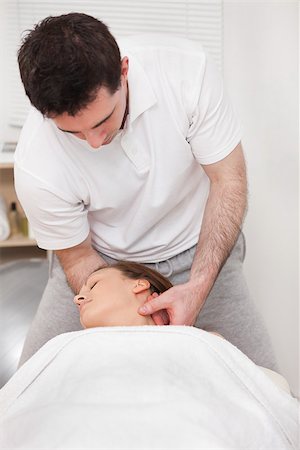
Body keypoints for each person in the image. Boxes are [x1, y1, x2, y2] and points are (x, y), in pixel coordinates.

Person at [15, 12, 277, 370]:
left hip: (197, 249)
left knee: (269, 389)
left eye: (102, 122)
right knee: (31, 388)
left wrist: (199, 288)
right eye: (72, 133)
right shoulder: (36, 163)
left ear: (123, 71)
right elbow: (77, 257)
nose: (94, 144)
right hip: (101, 265)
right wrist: (123, 317)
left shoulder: (186, 74)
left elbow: (228, 180)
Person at [0, 262, 295, 450]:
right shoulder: (63, 346)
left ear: (139, 285)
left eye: (95, 285)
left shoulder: (197, 341)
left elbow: (237, 395)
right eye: (80, 292)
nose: (78, 297)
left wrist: (201, 339)